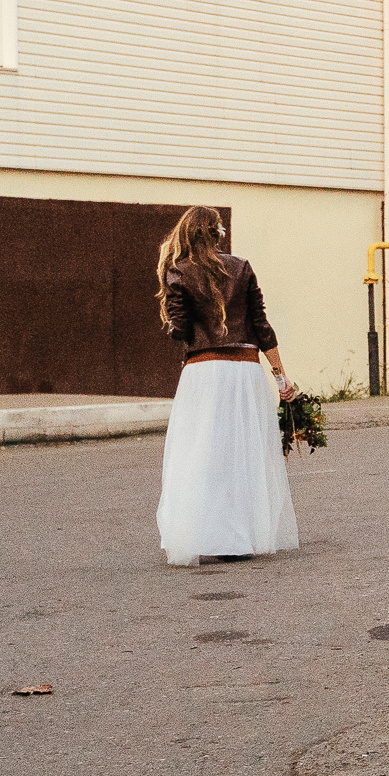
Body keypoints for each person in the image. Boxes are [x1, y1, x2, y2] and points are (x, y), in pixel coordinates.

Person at [155, 207, 301, 568]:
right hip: (245, 371)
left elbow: (180, 330)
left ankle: (207, 533)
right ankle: (240, 535)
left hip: (204, 373)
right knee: (243, 452)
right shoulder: (242, 267)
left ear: (187, 234)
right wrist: (281, 378)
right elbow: (261, 325)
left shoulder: (178, 271)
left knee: (202, 453)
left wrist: (173, 313)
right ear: (217, 233)